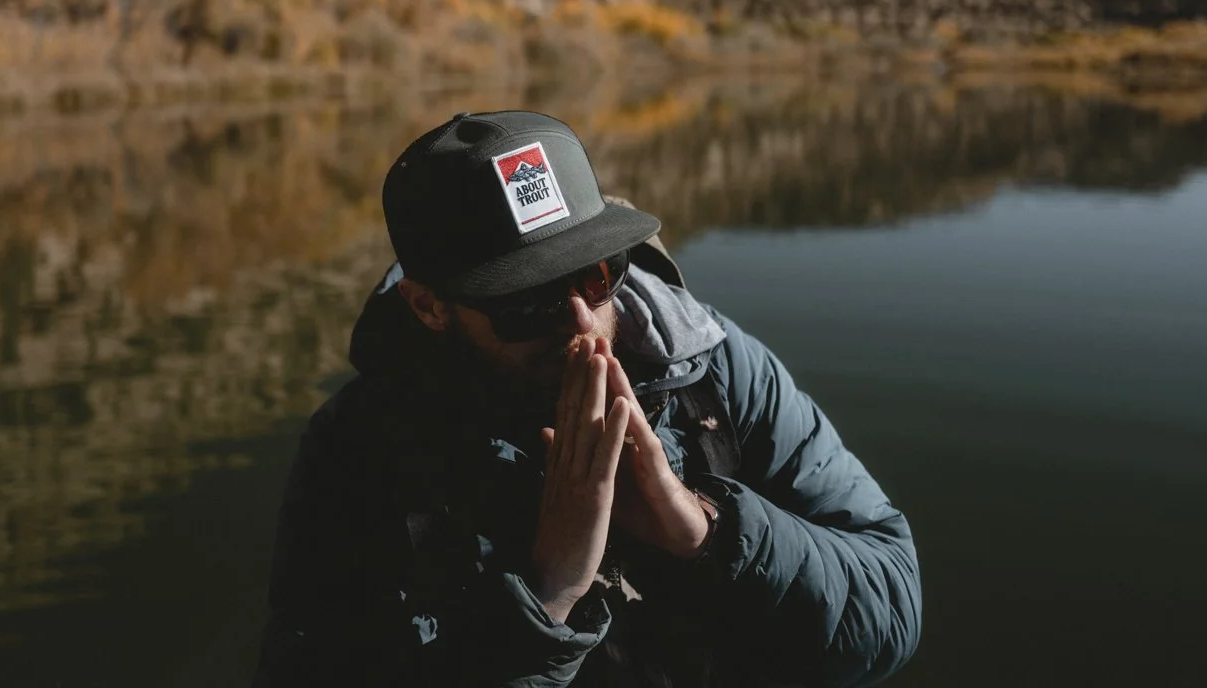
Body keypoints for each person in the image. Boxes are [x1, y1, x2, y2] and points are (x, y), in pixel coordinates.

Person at [252, 111, 921, 687]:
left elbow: (889, 613)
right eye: (523, 302)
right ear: (429, 307)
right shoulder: (361, 450)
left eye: (595, 276)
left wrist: (704, 530)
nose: (578, 324)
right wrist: (546, 595)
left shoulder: (715, 367)